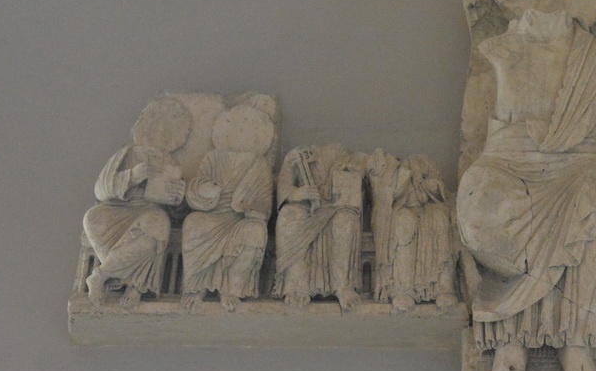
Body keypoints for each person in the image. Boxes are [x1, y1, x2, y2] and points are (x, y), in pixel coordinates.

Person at [457, 6, 596, 371]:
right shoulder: (503, 46)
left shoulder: (595, 54)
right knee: (484, 204)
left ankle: (576, 341)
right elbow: (482, 123)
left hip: (579, 157)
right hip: (509, 156)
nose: (546, 4)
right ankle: (510, 341)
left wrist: (588, 122)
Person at [83, 96, 189, 309]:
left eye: (169, 131)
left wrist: (177, 201)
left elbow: (178, 212)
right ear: (147, 128)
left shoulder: (171, 163)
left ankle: (116, 281)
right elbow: (101, 189)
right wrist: (133, 175)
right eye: (159, 127)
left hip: (151, 212)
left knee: (157, 226)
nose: (163, 133)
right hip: (120, 208)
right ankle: (119, 278)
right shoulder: (129, 153)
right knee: (93, 217)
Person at [180, 105, 275, 311]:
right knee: (193, 222)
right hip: (213, 214)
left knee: (256, 231)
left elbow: (265, 204)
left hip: (241, 219)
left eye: (248, 130)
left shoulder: (259, 164)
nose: (242, 134)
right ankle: (197, 287)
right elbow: (197, 187)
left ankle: (231, 288)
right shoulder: (213, 157)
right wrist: (207, 190)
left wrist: (252, 209)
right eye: (237, 129)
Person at [274, 144, 367, 310]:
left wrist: (349, 176)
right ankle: (297, 284)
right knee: (289, 215)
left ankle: (342, 286)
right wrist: (297, 193)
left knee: (345, 221)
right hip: (306, 205)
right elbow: (284, 186)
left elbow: (365, 186)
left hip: (337, 206)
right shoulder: (296, 154)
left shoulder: (355, 158)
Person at [369, 150, 458, 312]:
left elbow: (439, 189)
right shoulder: (383, 165)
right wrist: (403, 178)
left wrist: (429, 184)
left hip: (427, 209)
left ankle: (443, 287)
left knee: (440, 219)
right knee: (404, 224)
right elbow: (383, 197)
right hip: (398, 211)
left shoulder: (425, 161)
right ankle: (402, 290)